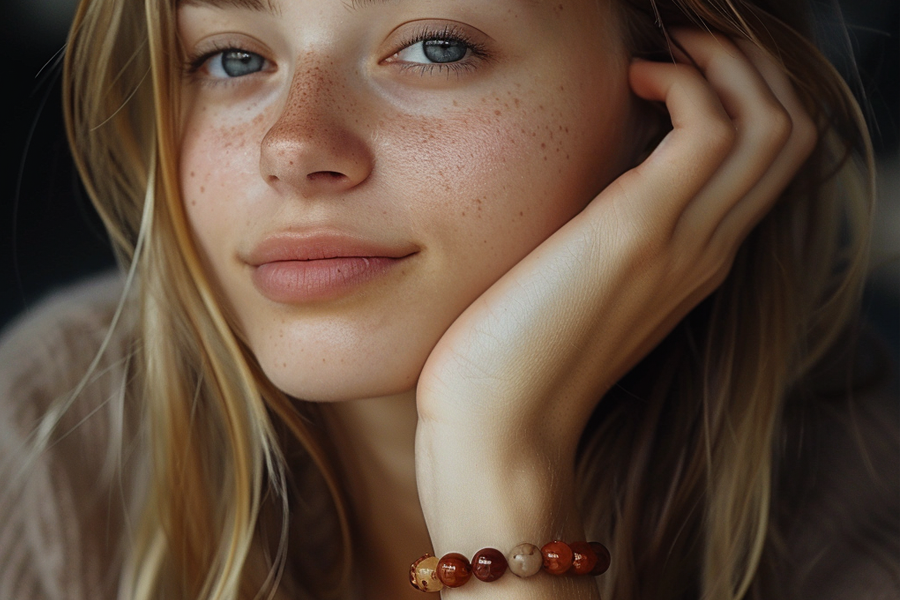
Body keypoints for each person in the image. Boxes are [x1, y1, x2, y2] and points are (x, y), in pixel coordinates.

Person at [0, 0, 896, 597]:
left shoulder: (858, 486)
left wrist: (498, 466)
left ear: (670, 108)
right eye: (233, 57)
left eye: (436, 46)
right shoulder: (53, 433)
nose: (295, 144)